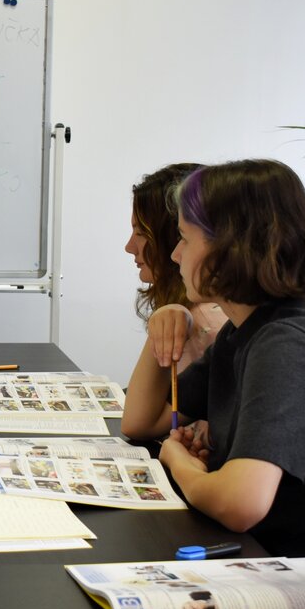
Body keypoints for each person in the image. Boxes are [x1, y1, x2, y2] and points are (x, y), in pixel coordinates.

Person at [121, 159, 305, 556]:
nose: (175, 255)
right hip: (262, 545)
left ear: (229, 250)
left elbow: (241, 504)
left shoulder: (289, 343)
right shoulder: (244, 329)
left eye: (185, 239)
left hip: (302, 562)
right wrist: (164, 325)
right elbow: (141, 421)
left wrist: (178, 462)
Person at [124, 163, 228, 459]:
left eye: (140, 233)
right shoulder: (187, 311)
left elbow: (136, 423)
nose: (129, 247)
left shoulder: (208, 323)